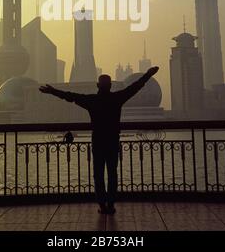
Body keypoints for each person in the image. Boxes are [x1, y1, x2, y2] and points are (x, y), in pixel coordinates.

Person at [39, 66, 159, 214]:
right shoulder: (117, 98)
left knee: (98, 174)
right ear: (110, 86)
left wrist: (52, 91)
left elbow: (70, 96)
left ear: (97, 86)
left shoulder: (91, 101)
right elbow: (135, 87)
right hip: (112, 142)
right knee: (112, 174)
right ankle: (111, 204)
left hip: (98, 142)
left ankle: (102, 204)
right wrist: (148, 74)